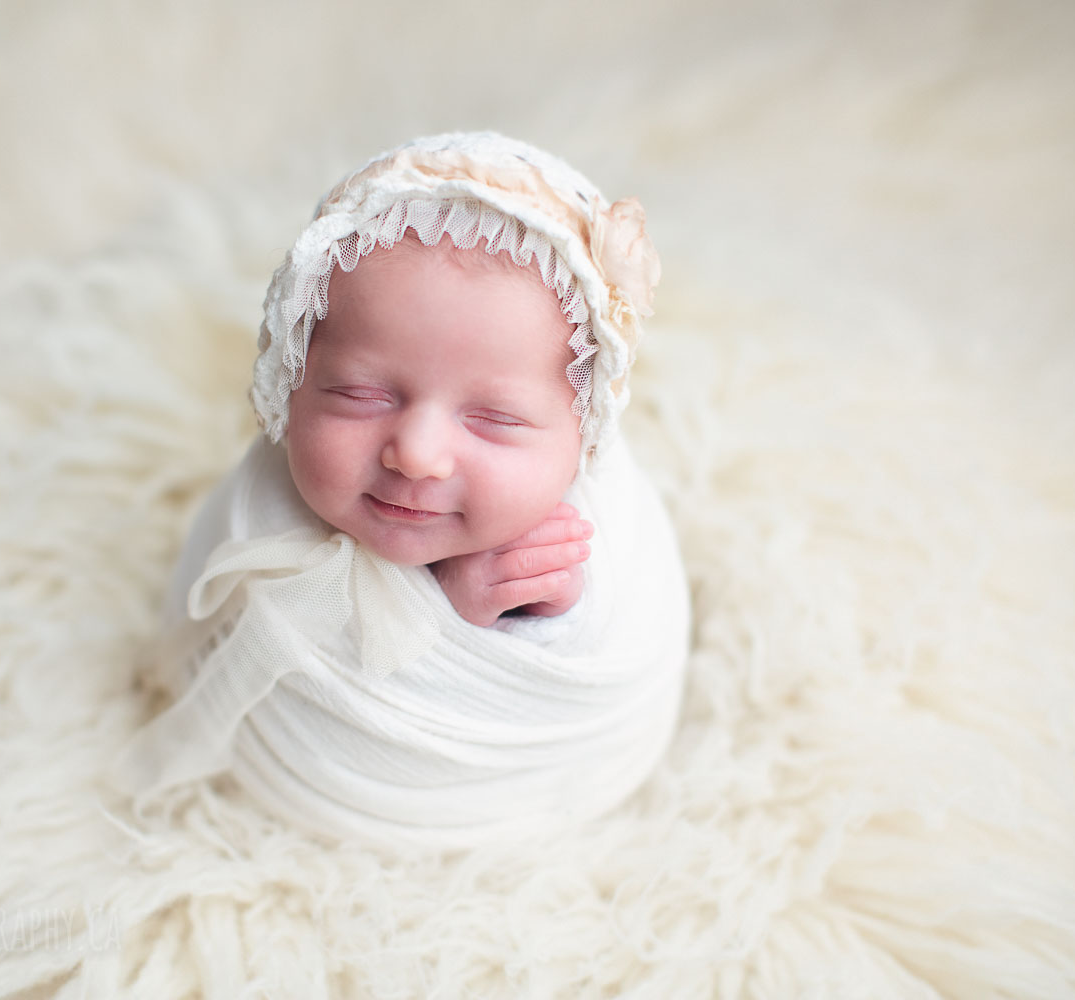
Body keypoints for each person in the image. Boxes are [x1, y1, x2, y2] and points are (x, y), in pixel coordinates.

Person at [117, 132, 689, 848]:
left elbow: (600, 655)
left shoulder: (601, 536)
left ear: (584, 434)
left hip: (521, 796)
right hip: (303, 783)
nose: (416, 455)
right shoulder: (257, 516)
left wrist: (529, 614)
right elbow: (269, 620)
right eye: (358, 394)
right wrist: (440, 599)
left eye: (494, 418)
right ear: (291, 374)